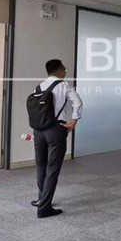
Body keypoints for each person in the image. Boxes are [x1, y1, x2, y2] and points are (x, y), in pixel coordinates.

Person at [32, 59, 83, 219]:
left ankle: (41, 199)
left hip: (38, 131)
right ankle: (44, 208)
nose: (65, 72)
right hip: (56, 129)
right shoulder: (64, 85)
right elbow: (78, 103)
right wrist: (73, 122)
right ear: (60, 70)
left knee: (41, 165)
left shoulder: (39, 86)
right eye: (64, 69)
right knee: (52, 169)